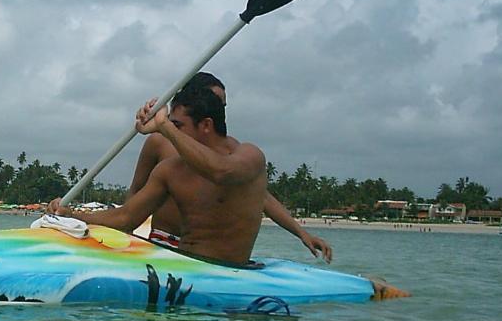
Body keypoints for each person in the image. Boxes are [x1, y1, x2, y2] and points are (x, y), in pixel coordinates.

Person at [127, 72, 333, 263]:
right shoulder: (159, 142)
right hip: (164, 238)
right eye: (216, 101)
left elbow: (262, 197)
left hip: (203, 249)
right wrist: (125, 237)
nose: (219, 109)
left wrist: (301, 232)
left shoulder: (230, 152)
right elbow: (136, 189)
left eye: (223, 105)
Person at [48, 84, 265, 265]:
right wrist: (71, 216)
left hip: (227, 272)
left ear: (206, 125)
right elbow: (125, 218)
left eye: (178, 125)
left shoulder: (248, 156)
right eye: (170, 124)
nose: (171, 131)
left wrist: (163, 126)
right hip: (182, 265)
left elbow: (221, 172)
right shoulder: (171, 169)